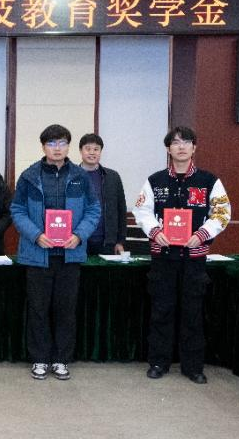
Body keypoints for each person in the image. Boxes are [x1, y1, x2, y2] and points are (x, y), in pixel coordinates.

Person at [132, 126, 230, 385]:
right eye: (175, 142)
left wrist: (203, 234)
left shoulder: (209, 181)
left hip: (194, 258)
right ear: (168, 149)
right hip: (163, 257)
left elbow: (222, 213)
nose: (181, 146)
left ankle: (193, 366)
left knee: (192, 312)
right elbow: (141, 210)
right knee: (161, 310)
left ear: (194, 147)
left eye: (186, 142)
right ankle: (158, 362)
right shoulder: (155, 181)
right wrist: (154, 231)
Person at [10, 124, 100, 381]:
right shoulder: (29, 176)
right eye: (51, 143)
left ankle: (61, 359)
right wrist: (36, 235)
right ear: (43, 147)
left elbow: (93, 209)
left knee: (65, 310)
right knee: (38, 309)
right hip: (38, 255)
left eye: (61, 143)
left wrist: (79, 235)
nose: (57, 148)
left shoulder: (80, 176)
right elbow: (17, 210)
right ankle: (39, 358)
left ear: (69, 147)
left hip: (70, 255)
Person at [78, 134, 127, 255]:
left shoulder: (112, 177)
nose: (92, 152)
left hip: (106, 242)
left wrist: (120, 241)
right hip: (77, 241)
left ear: (100, 151)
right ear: (80, 151)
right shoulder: (71, 176)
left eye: (96, 149)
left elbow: (121, 210)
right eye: (88, 149)